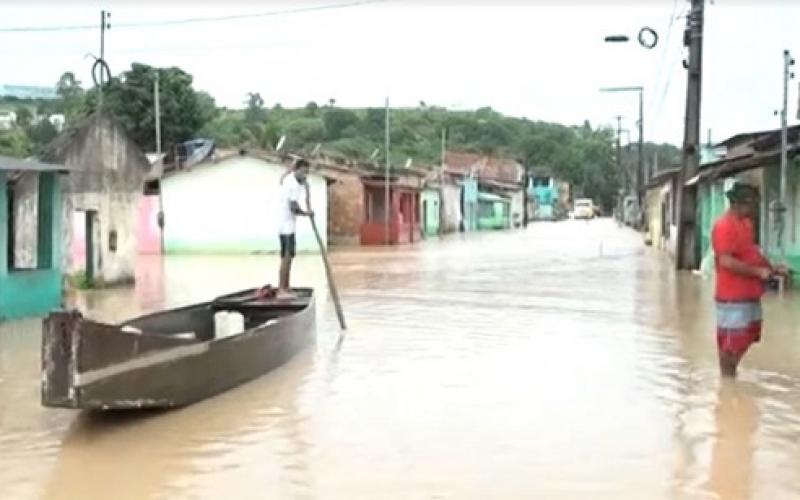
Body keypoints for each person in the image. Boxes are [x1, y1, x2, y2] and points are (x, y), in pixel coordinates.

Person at [711, 182, 788, 377]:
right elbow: (726, 261)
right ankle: (727, 379)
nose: (755, 208)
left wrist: (771, 268)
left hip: (749, 293)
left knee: (748, 335)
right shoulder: (723, 226)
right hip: (732, 295)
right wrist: (758, 272)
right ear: (740, 204)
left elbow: (752, 252)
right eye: (752, 204)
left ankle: (730, 375)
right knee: (732, 341)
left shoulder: (746, 224)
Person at [277, 159, 313, 299]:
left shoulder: (297, 182)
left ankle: (286, 287)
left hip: (288, 224)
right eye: (303, 172)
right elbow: (293, 208)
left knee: (290, 256)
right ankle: (281, 289)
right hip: (285, 225)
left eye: (307, 172)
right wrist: (306, 213)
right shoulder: (291, 183)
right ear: (297, 170)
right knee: (286, 257)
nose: (305, 175)